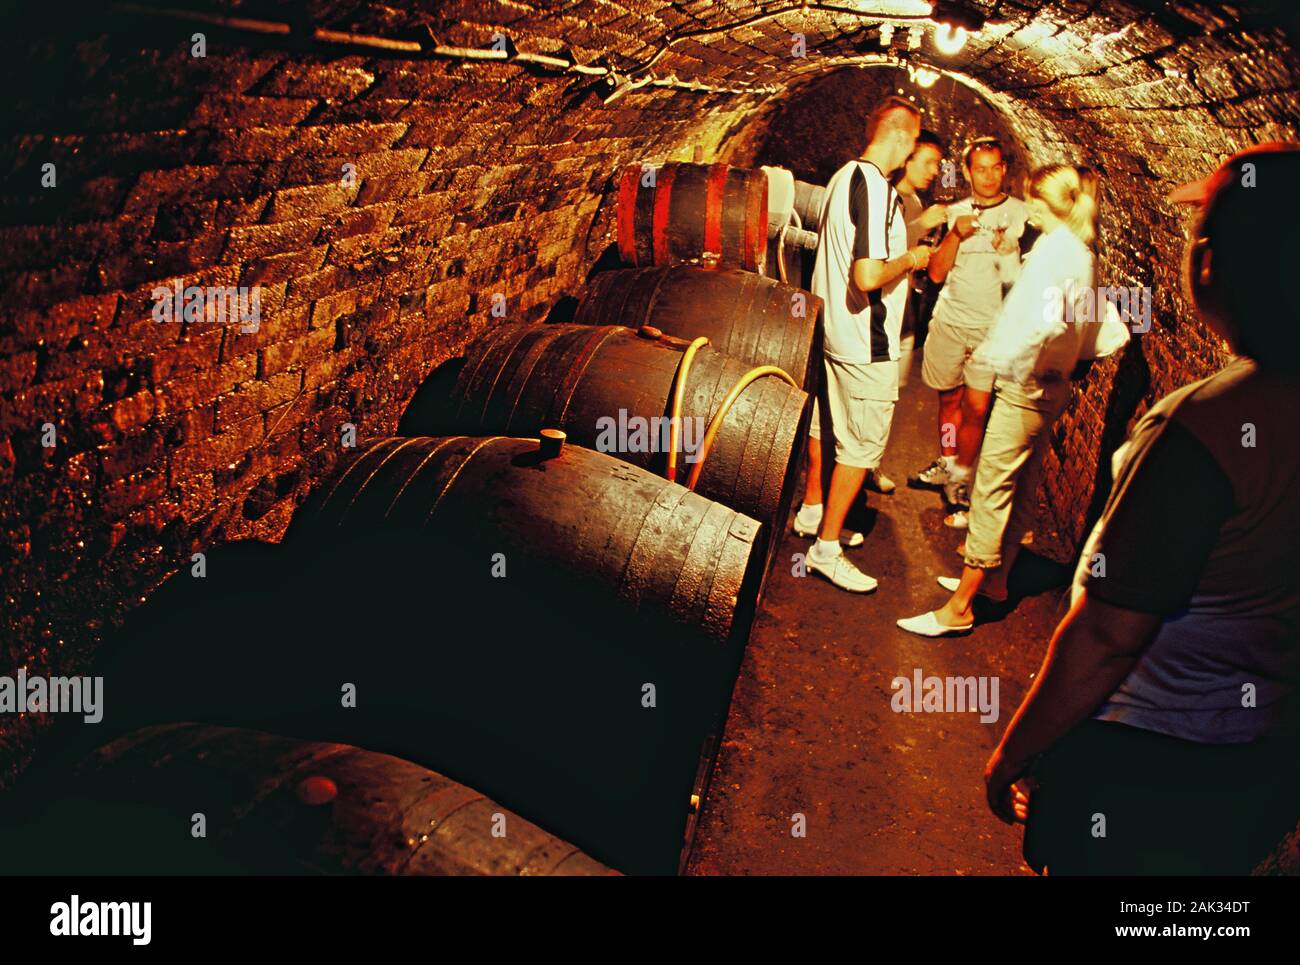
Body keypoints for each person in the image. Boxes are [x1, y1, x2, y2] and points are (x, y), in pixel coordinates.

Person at [983, 142, 1300, 875]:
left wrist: (1013, 753)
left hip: (1149, 755)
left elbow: (1109, 634)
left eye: (1198, 237)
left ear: (1214, 263)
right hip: (1262, 755)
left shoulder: (1204, 429)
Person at [897, 163, 1097, 635]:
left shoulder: (1055, 253)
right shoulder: (1075, 251)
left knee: (990, 491)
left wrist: (1000, 354)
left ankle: (960, 607)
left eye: (1034, 202)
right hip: (1051, 386)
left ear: (1048, 204)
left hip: (1027, 383)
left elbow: (1042, 321)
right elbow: (1081, 326)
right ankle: (996, 582)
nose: (1029, 212)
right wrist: (1010, 259)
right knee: (1023, 485)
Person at [792, 96, 934, 592]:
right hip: (864, 339)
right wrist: (913, 259)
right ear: (898, 136)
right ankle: (826, 549)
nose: (912, 153)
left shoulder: (841, 176)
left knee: (825, 423)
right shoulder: (874, 187)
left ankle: (812, 510)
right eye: (913, 143)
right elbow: (869, 274)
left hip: (832, 329)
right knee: (861, 446)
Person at [909, 138, 1031, 529]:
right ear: (967, 172)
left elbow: (1025, 282)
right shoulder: (955, 214)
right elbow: (937, 273)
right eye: (981, 168)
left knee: (977, 407)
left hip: (990, 330)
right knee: (949, 401)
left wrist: (1011, 251)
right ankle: (946, 461)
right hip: (951, 322)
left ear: (1005, 170)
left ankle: (961, 477)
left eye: (997, 167)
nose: (990, 175)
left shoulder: (1021, 216)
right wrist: (956, 235)